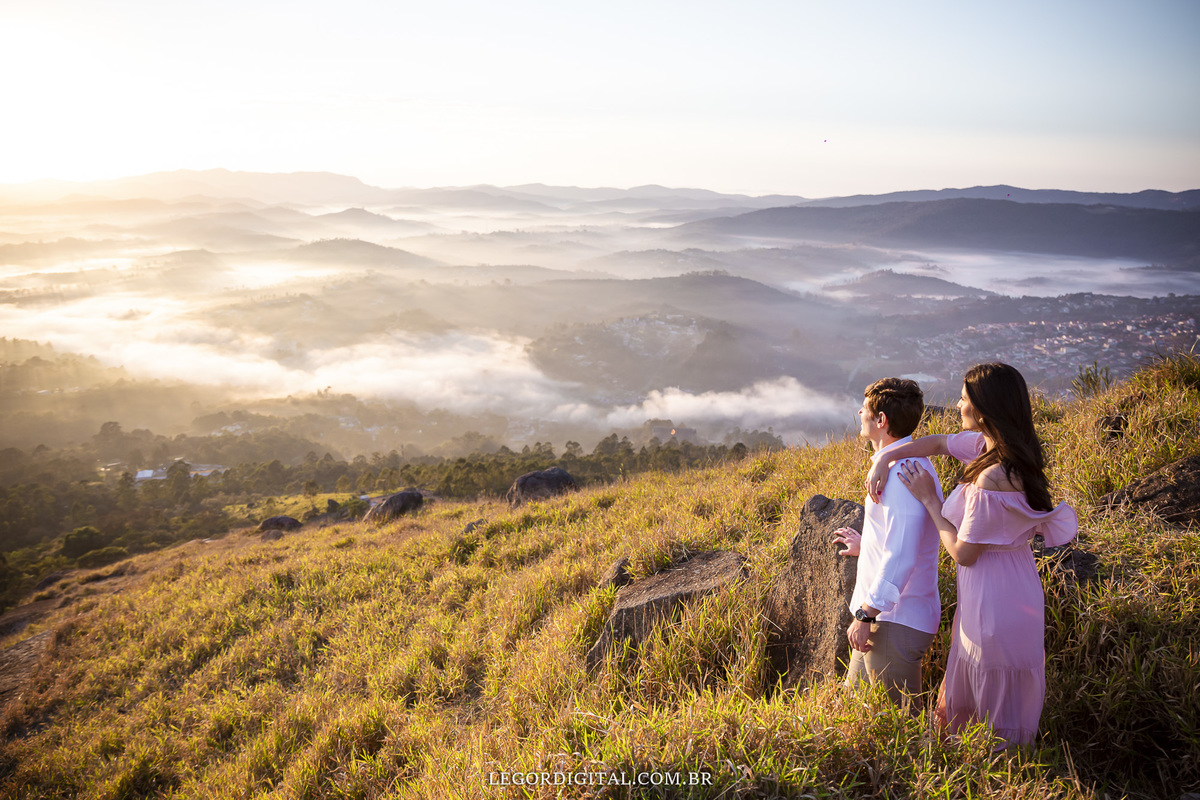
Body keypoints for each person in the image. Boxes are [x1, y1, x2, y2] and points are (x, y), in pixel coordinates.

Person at [867, 362, 1078, 747]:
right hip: (1009, 584)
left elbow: (963, 553)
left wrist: (932, 501)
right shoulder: (991, 447)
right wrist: (885, 457)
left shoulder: (992, 477)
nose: (958, 405)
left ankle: (1000, 771)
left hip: (994, 596)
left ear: (982, 408)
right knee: (983, 680)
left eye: (963, 399)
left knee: (991, 690)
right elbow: (935, 443)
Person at [832, 378, 943, 705]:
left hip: (894, 620)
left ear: (881, 421)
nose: (859, 413)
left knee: (897, 734)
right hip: (885, 618)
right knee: (855, 713)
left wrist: (866, 614)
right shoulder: (897, 467)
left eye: (865, 409)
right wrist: (866, 547)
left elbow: (902, 556)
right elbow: (900, 538)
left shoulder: (902, 473)